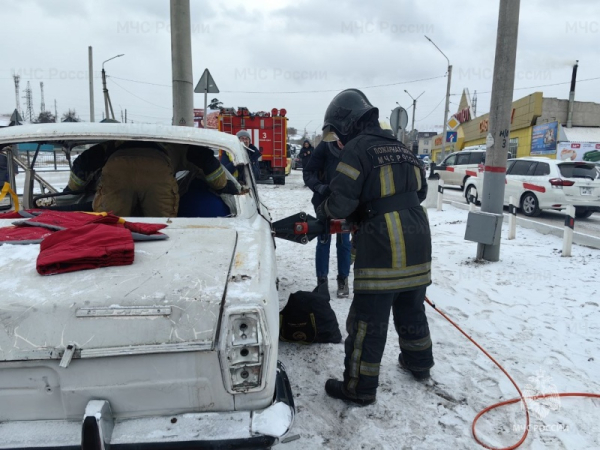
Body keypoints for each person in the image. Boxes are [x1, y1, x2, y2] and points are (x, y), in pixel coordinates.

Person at [316, 88, 433, 406]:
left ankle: (359, 387)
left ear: (347, 124)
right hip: (418, 241)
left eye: (337, 133)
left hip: (384, 245)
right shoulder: (402, 148)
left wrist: (323, 211)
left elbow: (340, 202)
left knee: (368, 321)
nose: (337, 141)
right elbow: (418, 192)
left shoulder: (356, 149)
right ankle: (419, 363)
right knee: (412, 308)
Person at [65, 141, 234, 217]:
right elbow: (205, 159)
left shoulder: (111, 144)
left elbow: (84, 162)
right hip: (158, 171)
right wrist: (222, 186)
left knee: (111, 223)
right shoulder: (177, 144)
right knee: (161, 227)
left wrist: (72, 190)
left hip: (116, 169)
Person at [303, 138, 351, 298]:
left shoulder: (354, 147)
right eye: (339, 138)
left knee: (344, 241)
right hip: (323, 202)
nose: (342, 142)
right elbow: (308, 172)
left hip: (346, 203)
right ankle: (322, 280)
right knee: (323, 240)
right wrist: (319, 187)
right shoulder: (324, 147)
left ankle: (343, 279)